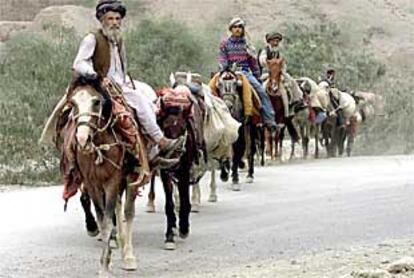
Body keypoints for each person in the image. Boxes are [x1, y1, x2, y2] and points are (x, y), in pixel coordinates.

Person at [72, 0, 185, 168]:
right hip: (100, 85)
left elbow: (121, 67)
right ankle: (160, 141)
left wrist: (124, 81)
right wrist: (93, 74)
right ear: (102, 19)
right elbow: (79, 63)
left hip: (120, 84)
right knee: (139, 101)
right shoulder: (92, 39)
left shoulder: (118, 39)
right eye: (110, 19)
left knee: (149, 99)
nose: (115, 23)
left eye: (118, 19)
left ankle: (151, 152)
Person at [218, 17, 277, 129]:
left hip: (244, 72)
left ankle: (269, 120)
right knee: (210, 89)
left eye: (240, 27)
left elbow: (253, 63)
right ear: (231, 29)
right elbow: (222, 58)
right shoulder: (224, 44)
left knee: (261, 92)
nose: (237, 29)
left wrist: (257, 77)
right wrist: (224, 68)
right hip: (227, 71)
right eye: (235, 27)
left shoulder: (247, 45)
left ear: (243, 29)